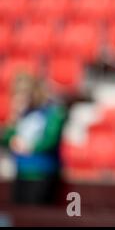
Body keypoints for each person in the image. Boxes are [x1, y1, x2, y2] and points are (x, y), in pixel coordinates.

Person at [0, 74, 67, 205]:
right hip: (21, 172)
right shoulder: (22, 115)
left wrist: (30, 147)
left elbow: (50, 140)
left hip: (43, 173)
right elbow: (6, 138)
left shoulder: (52, 112)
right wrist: (13, 119)